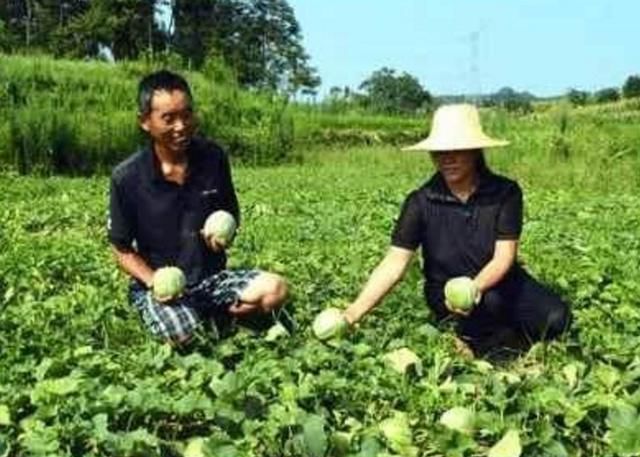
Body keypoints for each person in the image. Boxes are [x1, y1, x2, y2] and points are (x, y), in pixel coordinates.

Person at [341, 104, 570, 356]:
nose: (447, 158)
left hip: (500, 283)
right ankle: (476, 337)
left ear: (475, 151)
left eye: (456, 150)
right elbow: (395, 263)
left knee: (557, 318)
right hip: (448, 293)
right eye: (439, 152)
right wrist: (353, 313)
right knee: (488, 311)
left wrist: (475, 288)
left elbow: (504, 256)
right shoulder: (420, 202)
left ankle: (499, 334)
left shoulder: (505, 192)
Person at [108, 70, 287, 344]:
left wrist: (224, 235)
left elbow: (231, 213)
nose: (181, 126)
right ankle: (208, 319)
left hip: (212, 280)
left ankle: (209, 314)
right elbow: (122, 249)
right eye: (168, 118)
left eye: (187, 115)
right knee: (182, 333)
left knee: (275, 290)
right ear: (145, 122)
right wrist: (153, 280)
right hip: (162, 287)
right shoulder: (127, 177)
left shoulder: (213, 157)